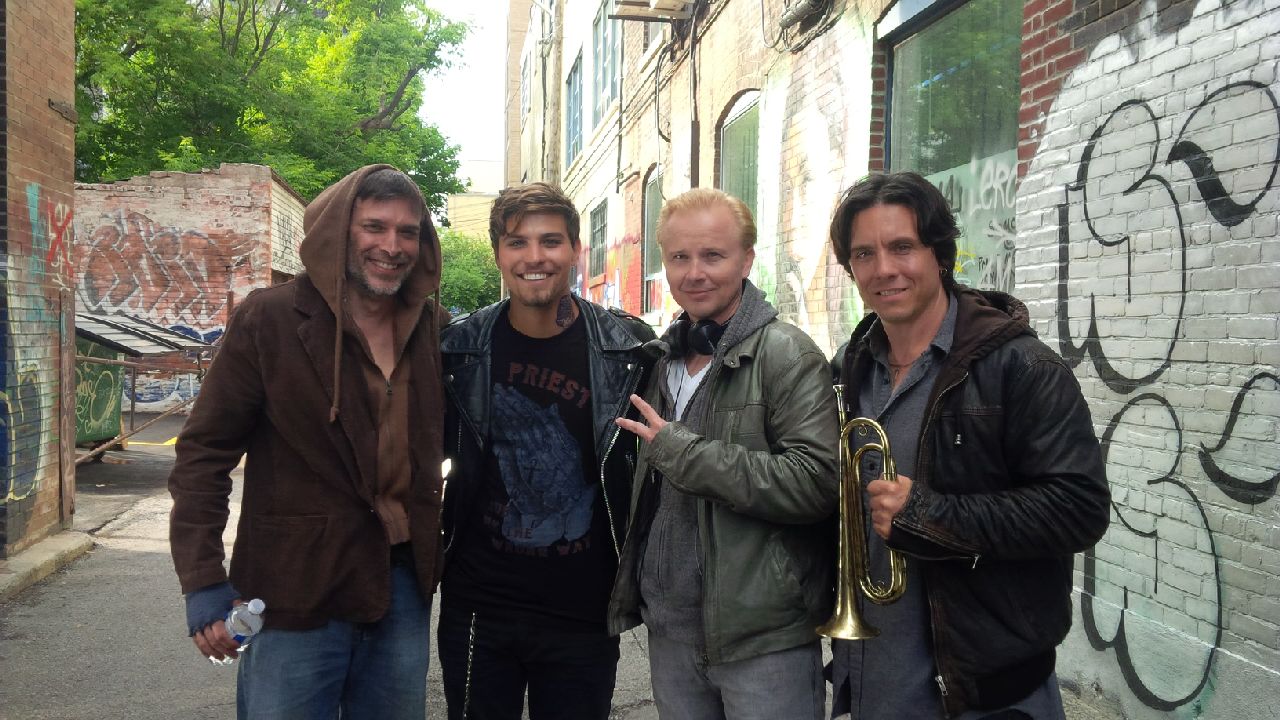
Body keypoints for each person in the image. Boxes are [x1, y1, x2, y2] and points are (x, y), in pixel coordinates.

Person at [826, 171, 1110, 719]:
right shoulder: (850, 369)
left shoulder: (1022, 367)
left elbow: (1080, 509)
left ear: (939, 253)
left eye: (902, 246)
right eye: (864, 254)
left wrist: (928, 514)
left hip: (982, 693)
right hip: (871, 676)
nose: (883, 268)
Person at [168, 165, 447, 719]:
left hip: (399, 588)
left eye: (407, 231)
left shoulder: (429, 327)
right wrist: (202, 581)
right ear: (339, 231)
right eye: (374, 227)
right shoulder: (269, 320)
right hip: (294, 585)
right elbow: (204, 455)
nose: (391, 246)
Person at [608, 188, 839, 720]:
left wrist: (681, 452)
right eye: (679, 257)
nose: (695, 273)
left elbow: (816, 483)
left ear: (747, 260)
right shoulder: (658, 359)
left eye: (713, 256)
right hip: (670, 634)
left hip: (763, 642)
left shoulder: (787, 352)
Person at [437, 182, 655, 720]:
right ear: (498, 255)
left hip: (583, 608)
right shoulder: (459, 350)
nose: (535, 257)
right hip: (479, 607)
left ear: (576, 250)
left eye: (551, 241)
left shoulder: (628, 349)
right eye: (517, 243)